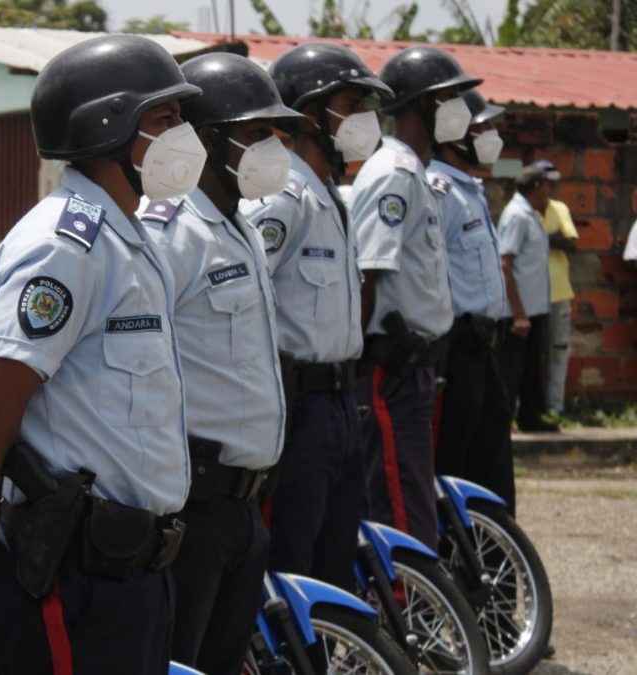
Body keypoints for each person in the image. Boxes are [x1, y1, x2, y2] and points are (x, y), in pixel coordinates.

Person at [0, 35, 202, 675]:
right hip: (73, 574)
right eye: (164, 120)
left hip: (135, 569)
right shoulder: (64, 245)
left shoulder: (126, 234)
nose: (183, 135)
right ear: (106, 128)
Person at [139, 52, 292, 675]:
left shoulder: (241, 227)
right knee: (184, 662)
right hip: (194, 508)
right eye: (257, 134)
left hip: (244, 504)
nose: (274, 148)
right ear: (206, 141)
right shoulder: (169, 231)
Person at [242, 42, 392, 591]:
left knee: (333, 560)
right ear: (309, 114)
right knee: (290, 562)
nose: (365, 121)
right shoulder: (281, 196)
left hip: (340, 404)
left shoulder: (329, 195)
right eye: (352, 105)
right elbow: (242, 303)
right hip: (298, 407)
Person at [351, 45, 480, 550]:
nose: (459, 111)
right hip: (392, 369)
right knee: (401, 509)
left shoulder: (417, 175)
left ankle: (414, 615)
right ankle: (408, 618)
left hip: (418, 368)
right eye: (447, 98)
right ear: (417, 106)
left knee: (413, 499)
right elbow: (368, 273)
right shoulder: (394, 175)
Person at [428, 88, 516, 509]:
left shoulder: (471, 189)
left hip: (486, 349)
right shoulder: (438, 190)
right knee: (454, 468)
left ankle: (494, 562)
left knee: (492, 467)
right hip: (458, 351)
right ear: (453, 133)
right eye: (482, 127)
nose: (492, 135)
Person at [498, 164, 556, 432]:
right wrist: (518, 312)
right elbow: (505, 263)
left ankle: (530, 417)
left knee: (531, 367)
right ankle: (502, 419)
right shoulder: (517, 215)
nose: (549, 190)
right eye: (546, 185)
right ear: (536, 187)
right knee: (512, 368)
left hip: (533, 306)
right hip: (518, 310)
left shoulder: (530, 213)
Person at [534, 159, 578, 418]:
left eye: (552, 183)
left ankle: (554, 407)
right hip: (530, 293)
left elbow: (572, 242)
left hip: (558, 290)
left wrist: (538, 237)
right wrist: (550, 238)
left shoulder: (558, 208)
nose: (549, 188)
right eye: (546, 183)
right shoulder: (523, 210)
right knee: (529, 354)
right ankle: (526, 407)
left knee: (558, 350)